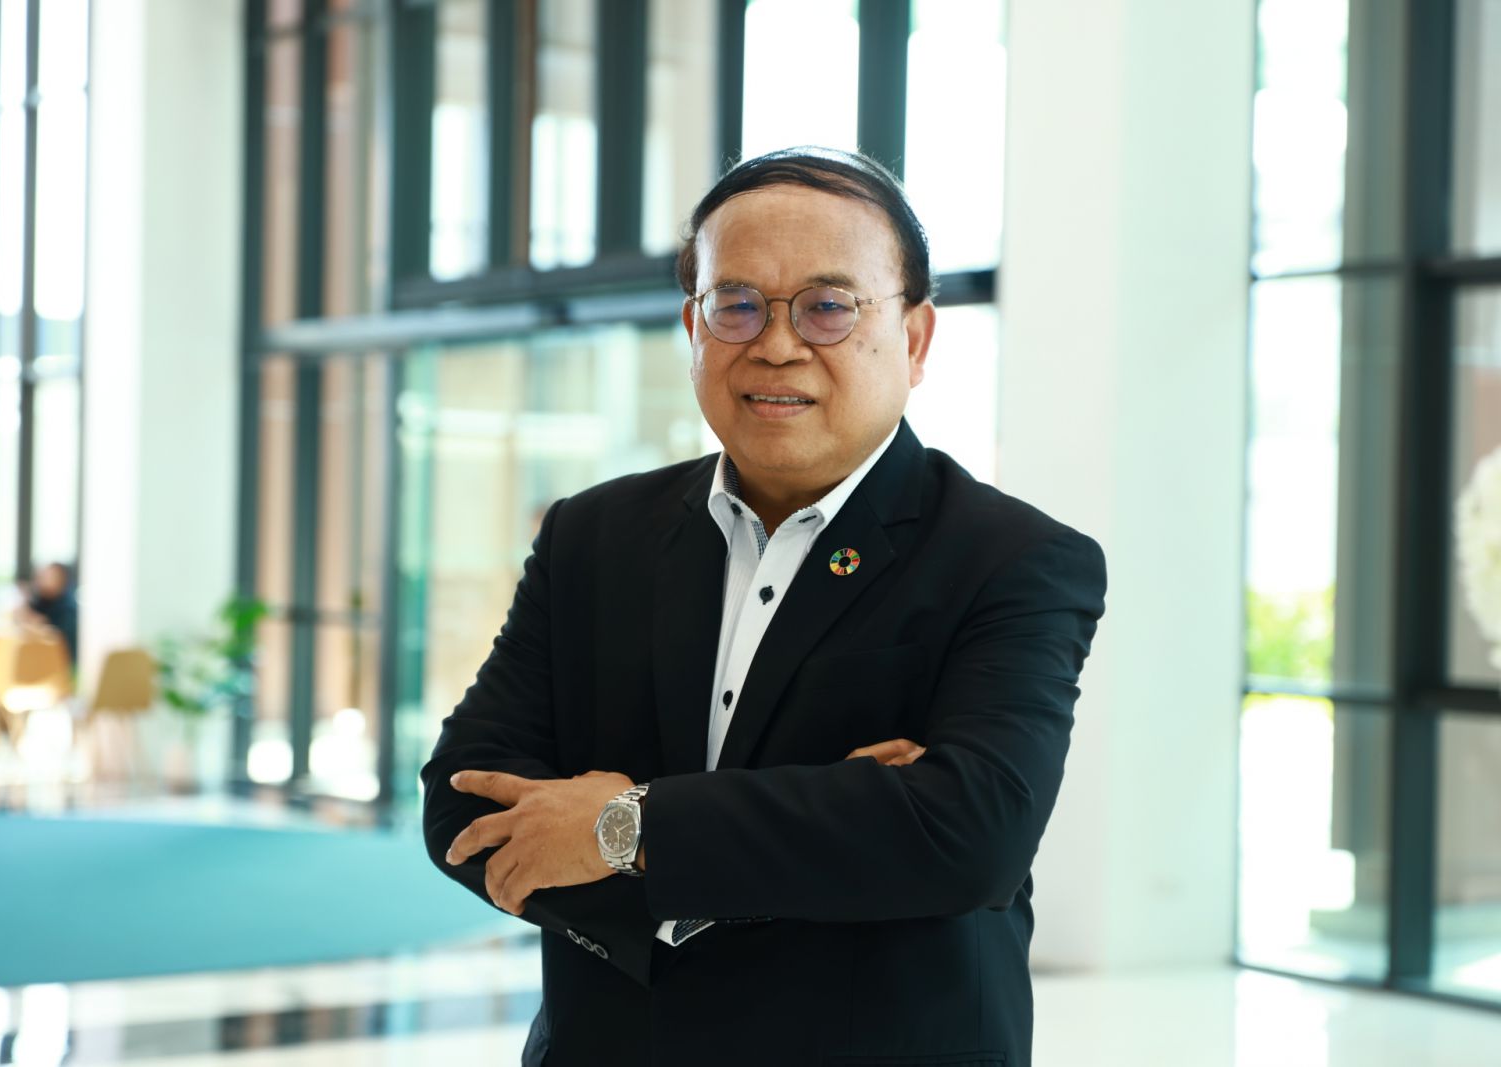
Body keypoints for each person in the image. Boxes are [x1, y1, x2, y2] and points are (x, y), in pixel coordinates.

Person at [422, 147, 1107, 1067]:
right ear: (693, 327)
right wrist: (842, 820)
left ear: (914, 339)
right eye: (736, 304)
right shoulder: (594, 533)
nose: (777, 344)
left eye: (828, 306)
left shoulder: (1012, 558)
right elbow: (464, 798)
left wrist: (619, 827)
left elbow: (969, 832)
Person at [16, 562, 78, 666]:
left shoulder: (68, 607)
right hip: (40, 659)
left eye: (47, 577)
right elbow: (27, 616)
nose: (41, 581)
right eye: (41, 577)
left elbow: (62, 639)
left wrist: (41, 624)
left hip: (63, 662)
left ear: (61, 579)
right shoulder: (41, 600)